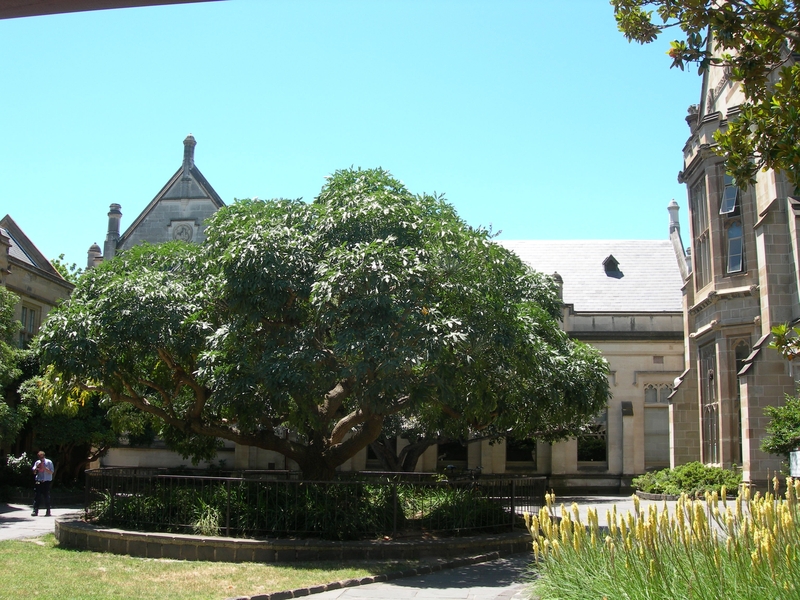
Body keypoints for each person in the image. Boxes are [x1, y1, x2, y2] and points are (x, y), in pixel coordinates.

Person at [31, 450, 54, 517]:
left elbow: (51, 472)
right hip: (39, 481)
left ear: (44, 456)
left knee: (46, 496)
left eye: (42, 457)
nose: (41, 459)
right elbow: (34, 473)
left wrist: (44, 468)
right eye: (39, 457)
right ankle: (35, 511)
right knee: (37, 496)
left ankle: (48, 511)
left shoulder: (49, 462)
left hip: (46, 481)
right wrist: (36, 468)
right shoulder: (37, 462)